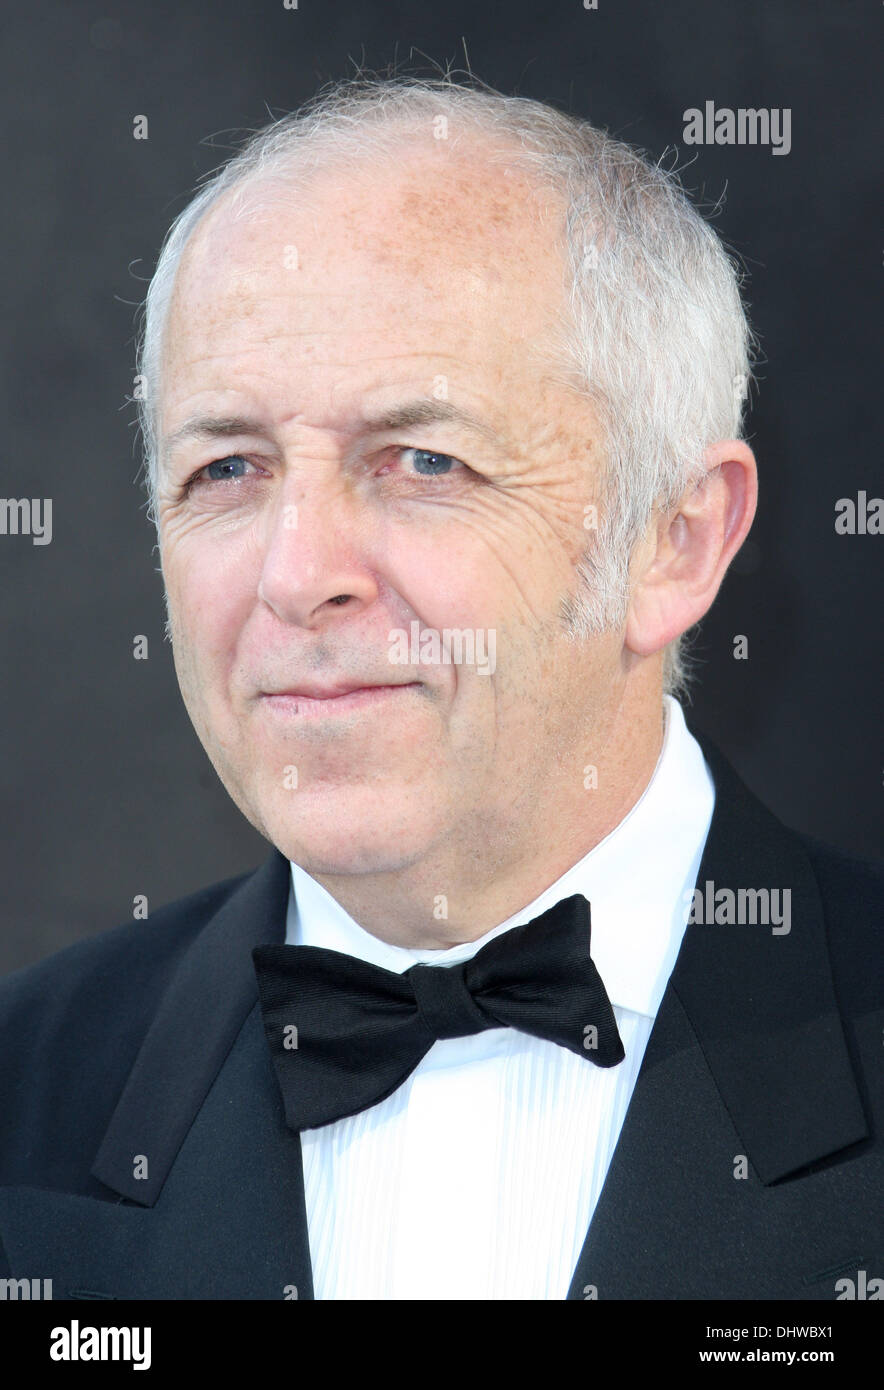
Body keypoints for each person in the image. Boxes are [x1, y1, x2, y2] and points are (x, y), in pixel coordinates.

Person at [1, 76, 880, 1301]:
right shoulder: (21, 1097)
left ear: (672, 540)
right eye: (228, 467)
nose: (296, 577)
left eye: (424, 460)